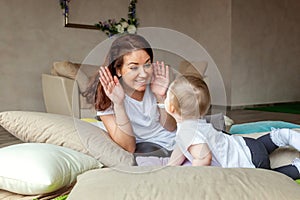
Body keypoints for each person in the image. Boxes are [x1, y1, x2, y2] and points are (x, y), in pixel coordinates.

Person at [165, 75, 300, 180]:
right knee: (260, 146)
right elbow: (181, 148)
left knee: (270, 177)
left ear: (171, 107)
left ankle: (296, 169)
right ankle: (281, 136)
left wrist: (190, 175)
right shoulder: (196, 123)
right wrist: (170, 167)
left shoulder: (187, 132)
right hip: (247, 144)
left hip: (251, 163)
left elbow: (204, 158)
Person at [83, 34, 177, 156]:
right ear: (118, 70)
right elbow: (129, 147)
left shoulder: (156, 84)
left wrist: (161, 98)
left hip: (175, 145)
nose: (143, 74)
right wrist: (119, 104)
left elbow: (171, 127)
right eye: (134, 67)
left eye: (147, 64)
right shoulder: (107, 96)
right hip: (149, 151)